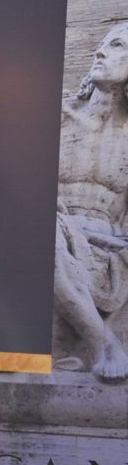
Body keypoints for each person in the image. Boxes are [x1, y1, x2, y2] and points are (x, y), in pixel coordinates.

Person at [54, 21, 128, 380]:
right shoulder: (58, 118)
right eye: (103, 44)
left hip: (107, 244)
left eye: (117, 46)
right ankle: (103, 343)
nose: (100, 51)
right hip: (54, 231)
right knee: (40, 229)